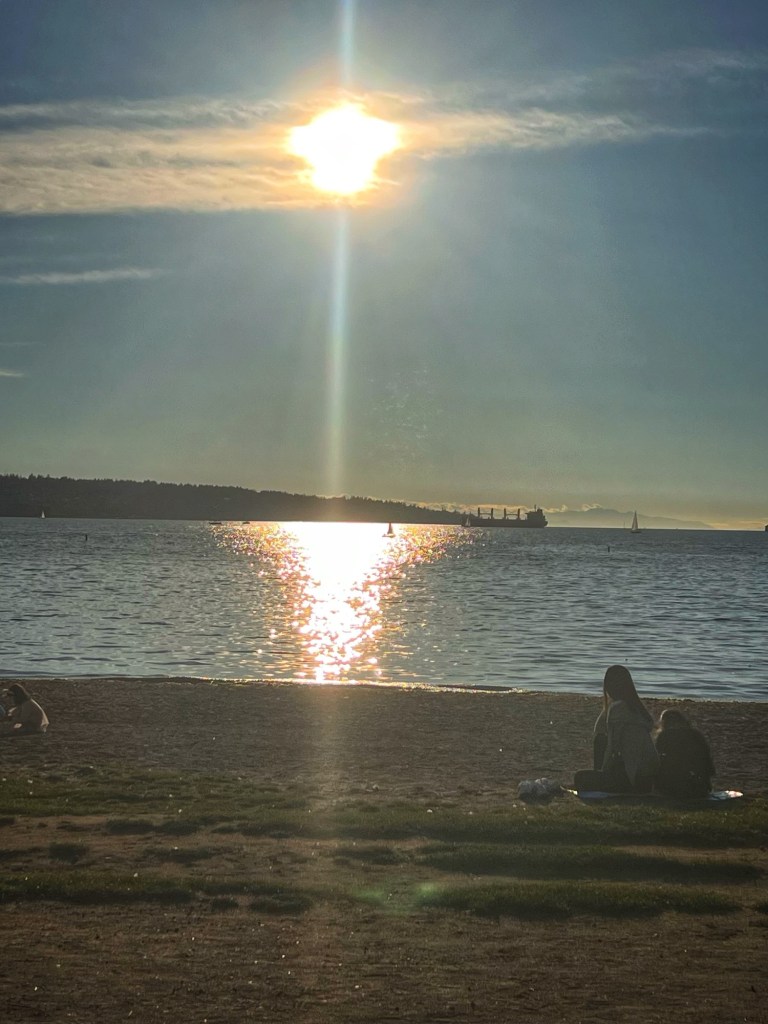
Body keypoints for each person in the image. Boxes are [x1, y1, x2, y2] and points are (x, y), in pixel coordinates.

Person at [574, 665, 659, 793]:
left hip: (631, 779)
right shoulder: (636, 709)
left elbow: (612, 747)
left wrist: (603, 773)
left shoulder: (618, 709)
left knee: (580, 777)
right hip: (647, 779)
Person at [654, 708, 715, 799]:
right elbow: (707, 761)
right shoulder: (695, 734)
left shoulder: (665, 735)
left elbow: (657, 756)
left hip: (674, 784)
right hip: (700, 784)